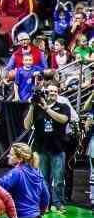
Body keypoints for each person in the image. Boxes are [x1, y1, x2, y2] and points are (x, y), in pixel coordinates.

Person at [23, 81, 75, 211]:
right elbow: (26, 126)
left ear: (58, 93)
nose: (52, 93)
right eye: (50, 91)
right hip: (41, 148)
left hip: (58, 148)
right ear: (45, 93)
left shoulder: (63, 106)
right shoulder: (37, 107)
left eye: (55, 91)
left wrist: (47, 108)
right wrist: (31, 107)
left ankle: (58, 203)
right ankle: (45, 203)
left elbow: (63, 119)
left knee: (58, 179)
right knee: (43, 179)